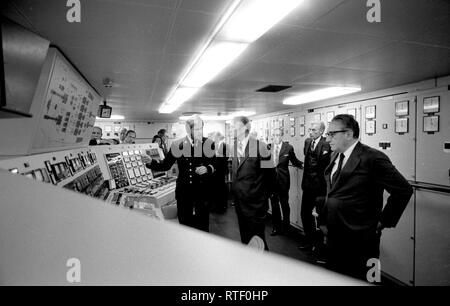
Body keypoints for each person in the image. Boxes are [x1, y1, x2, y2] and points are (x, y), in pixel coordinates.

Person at [319, 114, 413, 280]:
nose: (327, 139)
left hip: (361, 237)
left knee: (367, 279)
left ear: (348, 134)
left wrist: (383, 221)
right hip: (335, 234)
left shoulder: (373, 158)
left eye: (331, 134)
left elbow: (403, 190)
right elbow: (334, 190)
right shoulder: (335, 156)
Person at [144, 115, 216, 232]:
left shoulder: (208, 143)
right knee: (184, 225)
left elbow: (214, 163)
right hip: (184, 192)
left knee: (202, 226)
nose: (199, 131)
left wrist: (208, 168)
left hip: (201, 192)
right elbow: (165, 165)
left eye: (201, 128)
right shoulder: (178, 145)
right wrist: (151, 162)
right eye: (196, 129)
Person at [231, 116, 273, 250]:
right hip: (240, 201)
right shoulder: (235, 146)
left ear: (245, 128)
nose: (232, 130)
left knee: (258, 240)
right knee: (246, 239)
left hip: (255, 204)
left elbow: (271, 175)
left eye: (235, 127)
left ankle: (265, 267)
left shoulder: (261, 146)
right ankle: (249, 265)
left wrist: (262, 198)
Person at [298, 122, 331, 251]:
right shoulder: (307, 142)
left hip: (320, 188)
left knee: (321, 218)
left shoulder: (326, 144)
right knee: (305, 214)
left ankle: (321, 246)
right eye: (310, 129)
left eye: (314, 130)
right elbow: (307, 161)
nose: (310, 132)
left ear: (321, 131)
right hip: (307, 185)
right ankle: (310, 242)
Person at [269, 128, 303, 236]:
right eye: (274, 135)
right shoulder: (268, 147)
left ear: (282, 136)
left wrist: (304, 165)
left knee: (284, 204)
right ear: (272, 136)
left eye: (278, 135)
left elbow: (295, 161)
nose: (276, 137)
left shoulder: (288, 148)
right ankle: (276, 227)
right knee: (274, 205)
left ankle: (286, 227)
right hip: (272, 181)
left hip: (283, 181)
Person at [209, 132, 229, 213]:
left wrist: (218, 156)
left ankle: (221, 207)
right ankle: (215, 206)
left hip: (221, 170)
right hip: (213, 170)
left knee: (221, 188)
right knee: (214, 188)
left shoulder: (225, 145)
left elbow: (226, 157)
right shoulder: (212, 145)